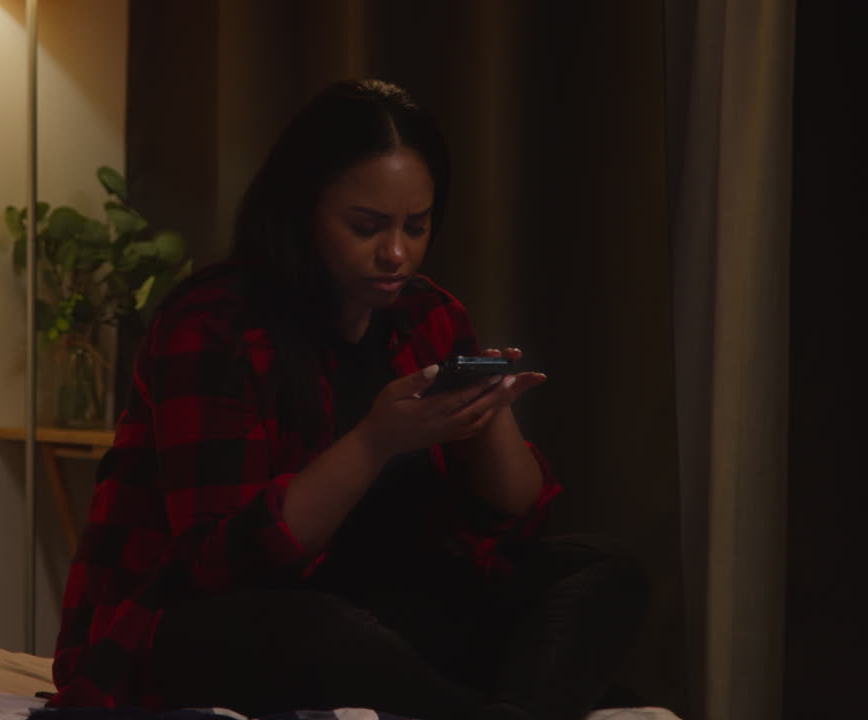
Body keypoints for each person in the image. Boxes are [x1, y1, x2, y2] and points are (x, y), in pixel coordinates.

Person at [47, 79, 649, 720]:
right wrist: (375, 439)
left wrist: (490, 410)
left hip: (398, 614)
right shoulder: (215, 323)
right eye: (366, 227)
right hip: (224, 622)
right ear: (303, 208)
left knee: (603, 571)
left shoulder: (429, 315)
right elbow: (222, 562)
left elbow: (517, 517)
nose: (396, 253)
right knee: (319, 630)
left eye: (416, 227)